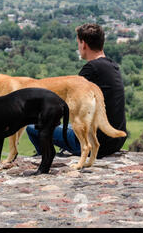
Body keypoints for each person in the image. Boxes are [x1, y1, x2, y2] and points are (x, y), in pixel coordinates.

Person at [26, 23, 127, 158]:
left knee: (32, 128)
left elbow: (71, 105)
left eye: (78, 43)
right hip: (116, 140)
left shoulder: (91, 70)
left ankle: (45, 159)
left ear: (83, 44)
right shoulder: (113, 66)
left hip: (99, 140)